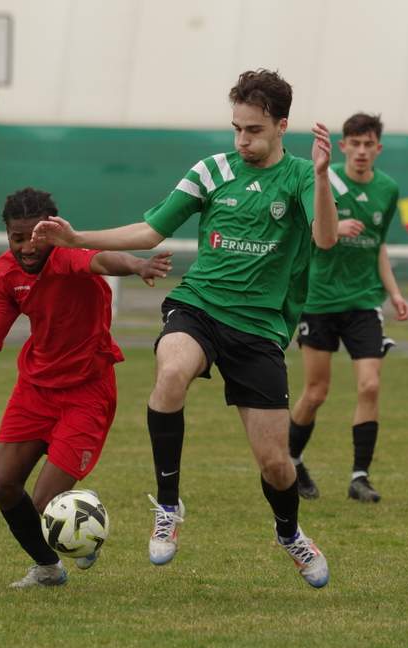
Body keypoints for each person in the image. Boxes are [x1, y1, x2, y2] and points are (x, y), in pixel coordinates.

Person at [33, 69, 339, 588]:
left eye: (254, 130)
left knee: (276, 465)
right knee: (171, 373)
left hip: (261, 328)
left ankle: (289, 533)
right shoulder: (211, 170)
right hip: (199, 305)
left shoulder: (302, 177)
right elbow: (151, 230)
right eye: (236, 128)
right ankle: (169, 507)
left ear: (281, 126)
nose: (242, 141)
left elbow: (325, 239)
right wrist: (77, 238)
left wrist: (325, 177)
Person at [0, 187, 171, 589]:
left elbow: (103, 259)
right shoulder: (5, 273)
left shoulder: (67, 255)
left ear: (50, 230)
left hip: (86, 393)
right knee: (3, 484)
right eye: (17, 238)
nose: (26, 247)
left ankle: (81, 529)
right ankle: (49, 568)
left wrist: (138, 265)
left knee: (44, 504)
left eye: (35, 237)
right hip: (35, 389)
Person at [289, 112, 408, 504]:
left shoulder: (388, 189)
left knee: (370, 385)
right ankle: (292, 462)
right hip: (319, 300)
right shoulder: (325, 178)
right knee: (315, 392)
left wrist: (394, 292)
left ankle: (360, 477)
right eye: (354, 143)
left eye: (368, 144)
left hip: (363, 302)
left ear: (378, 148)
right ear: (342, 146)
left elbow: (378, 245)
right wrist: (332, 227)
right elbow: (304, 229)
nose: (361, 151)